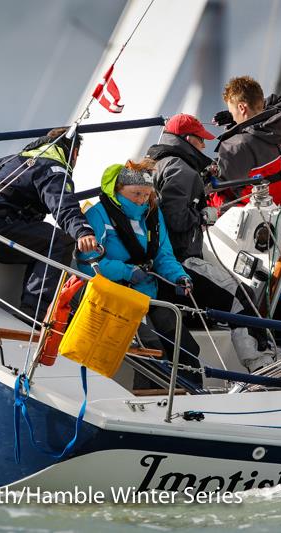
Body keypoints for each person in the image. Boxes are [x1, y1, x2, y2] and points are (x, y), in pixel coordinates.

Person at [146, 113, 281, 372]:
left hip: (161, 261)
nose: (204, 147)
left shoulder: (157, 163)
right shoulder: (182, 170)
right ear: (187, 140)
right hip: (180, 261)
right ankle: (263, 365)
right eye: (200, 142)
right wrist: (203, 214)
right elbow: (175, 218)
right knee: (241, 299)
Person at [76, 158, 203, 387]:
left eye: (146, 194)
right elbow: (87, 261)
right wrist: (126, 271)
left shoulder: (153, 215)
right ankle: (155, 403)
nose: (142, 200)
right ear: (118, 189)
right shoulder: (99, 214)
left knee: (186, 346)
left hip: (147, 294)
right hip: (116, 297)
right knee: (152, 349)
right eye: (136, 194)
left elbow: (164, 255)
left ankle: (193, 394)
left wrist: (179, 276)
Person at [0, 128, 97, 320]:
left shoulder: (9, 160)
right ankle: (34, 312)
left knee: (43, 238)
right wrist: (82, 232)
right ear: (74, 152)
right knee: (61, 241)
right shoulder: (52, 168)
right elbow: (63, 206)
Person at [210, 75, 281, 208]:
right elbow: (280, 100)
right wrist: (245, 113)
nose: (232, 115)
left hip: (254, 207)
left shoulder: (234, 146)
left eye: (231, 111)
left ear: (242, 108)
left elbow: (219, 182)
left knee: (210, 196)